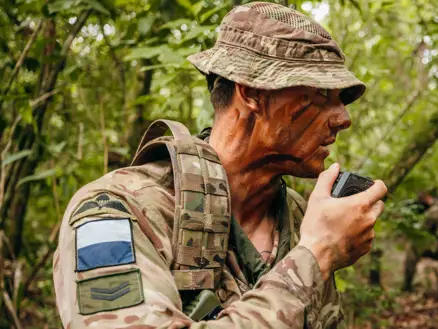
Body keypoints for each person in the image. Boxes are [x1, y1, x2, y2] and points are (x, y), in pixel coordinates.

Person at [53, 2, 387, 328]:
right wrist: (315, 257)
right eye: (320, 96)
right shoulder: (119, 209)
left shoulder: (303, 217)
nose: (343, 119)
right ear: (252, 92)